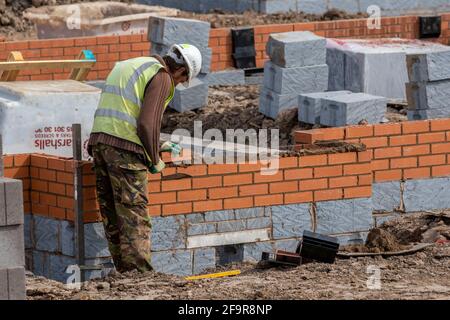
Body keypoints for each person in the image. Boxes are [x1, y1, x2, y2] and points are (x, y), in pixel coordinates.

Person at [87, 44, 202, 273]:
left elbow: (124, 117)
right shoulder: (162, 77)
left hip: (100, 144)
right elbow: (146, 124)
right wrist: (154, 159)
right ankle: (140, 276)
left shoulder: (132, 64)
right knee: (134, 216)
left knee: (112, 214)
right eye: (182, 80)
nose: (178, 84)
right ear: (181, 71)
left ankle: (124, 273)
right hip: (125, 153)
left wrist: (158, 144)